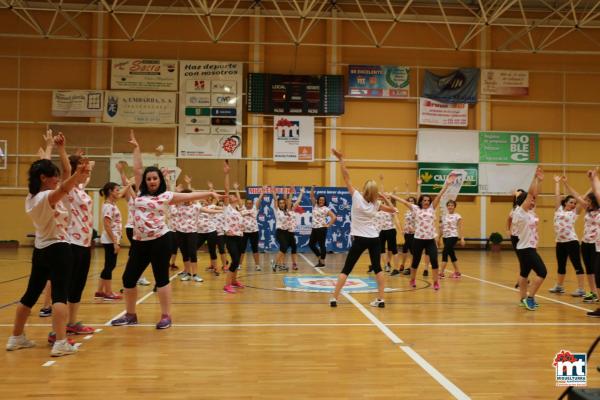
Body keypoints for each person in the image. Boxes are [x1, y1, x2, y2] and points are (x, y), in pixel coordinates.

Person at [110, 130, 219, 329]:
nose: (152, 181)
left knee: (161, 278)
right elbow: (137, 169)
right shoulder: (140, 193)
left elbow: (189, 197)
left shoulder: (166, 196)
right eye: (149, 178)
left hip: (161, 240)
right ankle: (131, 314)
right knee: (128, 278)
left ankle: (166, 316)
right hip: (139, 242)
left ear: (160, 180)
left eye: (155, 178)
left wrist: (209, 192)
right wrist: (136, 148)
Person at [7, 137, 90, 356]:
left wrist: (55, 149)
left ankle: (16, 337)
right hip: (59, 248)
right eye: (52, 175)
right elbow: (63, 186)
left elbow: (61, 177)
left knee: (29, 295)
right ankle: (61, 342)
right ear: (44, 178)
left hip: (41, 249)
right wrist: (76, 176)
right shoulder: (47, 196)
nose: (56, 178)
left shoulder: (31, 197)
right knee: (60, 296)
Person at [329, 149, 397, 308]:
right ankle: (381, 299)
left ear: (365, 189)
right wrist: (386, 197)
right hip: (374, 239)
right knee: (378, 269)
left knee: (346, 269)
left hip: (359, 239)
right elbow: (393, 209)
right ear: (375, 193)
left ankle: (334, 298)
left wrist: (341, 160)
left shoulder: (357, 197)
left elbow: (346, 176)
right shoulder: (376, 204)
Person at [55, 133, 96, 339]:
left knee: (78, 285)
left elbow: (87, 172)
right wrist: (63, 150)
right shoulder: (68, 188)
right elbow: (66, 170)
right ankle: (57, 331)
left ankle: (71, 323)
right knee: (65, 286)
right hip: (70, 242)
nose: (86, 171)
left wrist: (81, 159)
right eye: (82, 168)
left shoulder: (80, 189)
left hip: (84, 243)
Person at [390, 174, 456, 290]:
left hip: (430, 240)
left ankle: (435, 282)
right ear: (421, 201)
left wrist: (447, 184)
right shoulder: (415, 209)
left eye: (428, 200)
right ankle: (412, 279)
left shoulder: (432, 208)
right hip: (418, 240)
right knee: (415, 261)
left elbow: (440, 195)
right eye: (424, 200)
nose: (426, 202)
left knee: (434, 260)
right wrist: (392, 196)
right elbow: (404, 202)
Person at [512, 167, 547, 311]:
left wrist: (538, 181)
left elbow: (534, 194)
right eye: (530, 200)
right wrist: (535, 178)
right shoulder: (520, 212)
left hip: (526, 247)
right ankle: (530, 298)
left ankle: (522, 299)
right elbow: (531, 194)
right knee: (542, 272)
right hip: (526, 249)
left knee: (524, 273)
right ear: (523, 201)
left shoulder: (529, 212)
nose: (533, 201)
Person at [547, 176, 586, 296]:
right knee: (561, 264)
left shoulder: (574, 213)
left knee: (577, 264)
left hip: (571, 241)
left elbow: (581, 198)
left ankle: (581, 289)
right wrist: (557, 183)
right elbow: (557, 196)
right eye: (571, 202)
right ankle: (559, 286)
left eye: (574, 203)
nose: (573, 204)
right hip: (560, 242)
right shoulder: (558, 210)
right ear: (565, 203)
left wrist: (590, 188)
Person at [563, 178, 599, 303]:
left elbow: (596, 191)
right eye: (587, 201)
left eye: (589, 201)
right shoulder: (587, 209)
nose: (587, 202)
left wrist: (594, 180)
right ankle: (594, 292)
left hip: (596, 244)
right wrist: (566, 184)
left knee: (596, 269)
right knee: (589, 269)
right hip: (585, 243)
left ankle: (597, 293)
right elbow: (576, 196)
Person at [96, 181, 128, 300]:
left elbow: (120, 195)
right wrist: (115, 242)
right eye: (116, 190)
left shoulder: (112, 203)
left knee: (108, 265)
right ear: (110, 192)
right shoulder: (109, 206)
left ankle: (99, 291)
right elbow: (107, 225)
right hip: (110, 240)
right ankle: (108, 292)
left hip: (111, 239)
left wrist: (128, 185)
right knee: (110, 266)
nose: (118, 192)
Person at [222, 161, 246, 294]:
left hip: (240, 237)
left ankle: (234, 281)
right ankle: (227, 285)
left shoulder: (238, 208)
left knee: (237, 262)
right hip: (230, 238)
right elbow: (226, 189)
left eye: (233, 196)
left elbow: (239, 199)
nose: (231, 196)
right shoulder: (227, 208)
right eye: (230, 196)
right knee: (235, 260)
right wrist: (227, 174)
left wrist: (237, 192)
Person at [308, 186, 337, 268]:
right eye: (320, 200)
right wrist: (312, 188)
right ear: (318, 200)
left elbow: (334, 217)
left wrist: (328, 225)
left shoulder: (326, 209)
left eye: (323, 200)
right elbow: (311, 196)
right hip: (314, 228)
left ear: (324, 202)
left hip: (321, 229)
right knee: (311, 244)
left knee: (322, 245)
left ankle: (322, 262)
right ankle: (320, 258)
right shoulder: (315, 206)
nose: (321, 201)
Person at [240, 186, 265, 271]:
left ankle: (257, 265)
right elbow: (239, 200)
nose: (249, 204)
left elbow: (259, 199)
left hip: (254, 231)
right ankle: (239, 265)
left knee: (255, 249)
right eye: (248, 203)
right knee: (242, 249)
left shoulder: (255, 209)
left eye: (251, 203)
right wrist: (236, 190)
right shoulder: (242, 209)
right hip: (244, 232)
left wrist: (262, 191)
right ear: (245, 204)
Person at [586, 169, 600, 317]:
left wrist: (595, 177)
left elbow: (598, 194)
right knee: (599, 277)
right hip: (598, 248)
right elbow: (596, 193)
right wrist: (593, 179)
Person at [439, 200, 465, 278]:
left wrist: (462, 238)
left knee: (445, 252)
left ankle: (441, 273)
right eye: (449, 205)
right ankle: (457, 272)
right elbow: (442, 228)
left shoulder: (458, 216)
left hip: (453, 236)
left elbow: (461, 227)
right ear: (447, 207)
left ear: (454, 207)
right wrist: (439, 237)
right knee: (451, 254)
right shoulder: (444, 216)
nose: (450, 207)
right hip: (445, 237)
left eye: (452, 205)